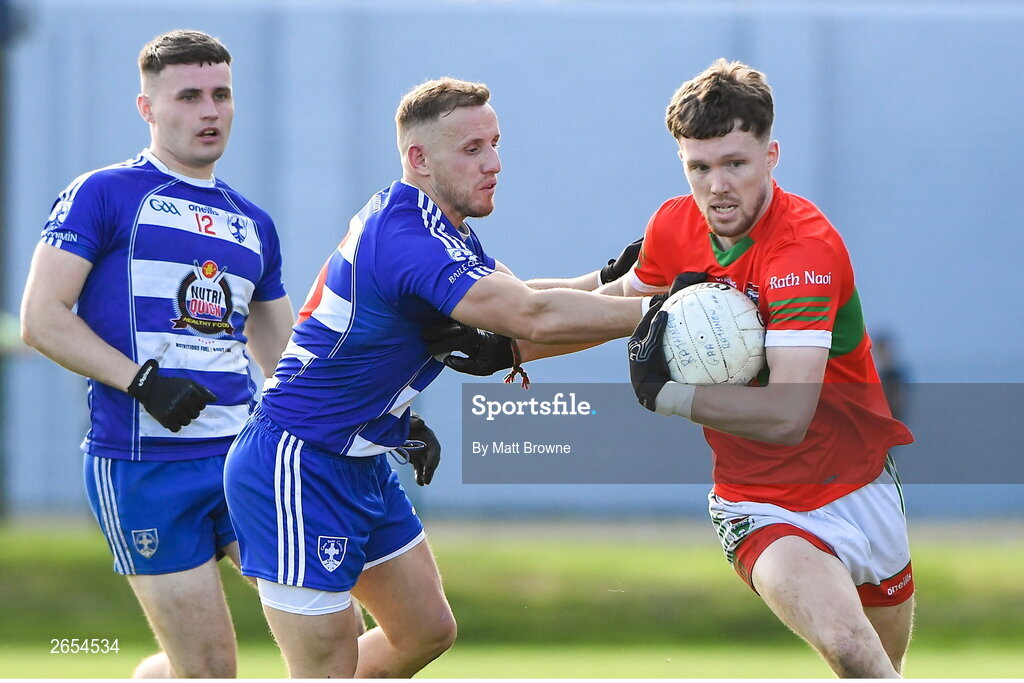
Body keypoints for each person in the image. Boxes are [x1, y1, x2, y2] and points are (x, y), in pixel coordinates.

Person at [432, 60, 916, 679]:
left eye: (735, 164)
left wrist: (670, 396)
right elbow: (612, 307)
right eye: (699, 167)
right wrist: (510, 341)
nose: (717, 187)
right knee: (852, 651)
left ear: (771, 156)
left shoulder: (803, 250)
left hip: (862, 488)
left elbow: (790, 414)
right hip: (762, 503)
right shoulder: (676, 225)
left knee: (885, 667)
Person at [222, 76, 659, 678]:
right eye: (473, 149)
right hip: (299, 463)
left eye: (495, 143)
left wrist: (611, 280)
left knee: (424, 630)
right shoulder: (409, 238)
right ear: (418, 159)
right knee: (325, 667)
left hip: (359, 457)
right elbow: (528, 319)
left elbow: (523, 295)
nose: (495, 163)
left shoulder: (437, 224)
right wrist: (659, 313)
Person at [19, 30, 299, 678]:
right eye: (190, 96)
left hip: (241, 459)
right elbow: (41, 318)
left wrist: (367, 416)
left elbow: (283, 354)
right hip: (144, 466)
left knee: (329, 618)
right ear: (148, 108)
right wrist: (142, 382)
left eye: (221, 94)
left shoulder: (252, 222)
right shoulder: (105, 193)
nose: (210, 110)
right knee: (206, 669)